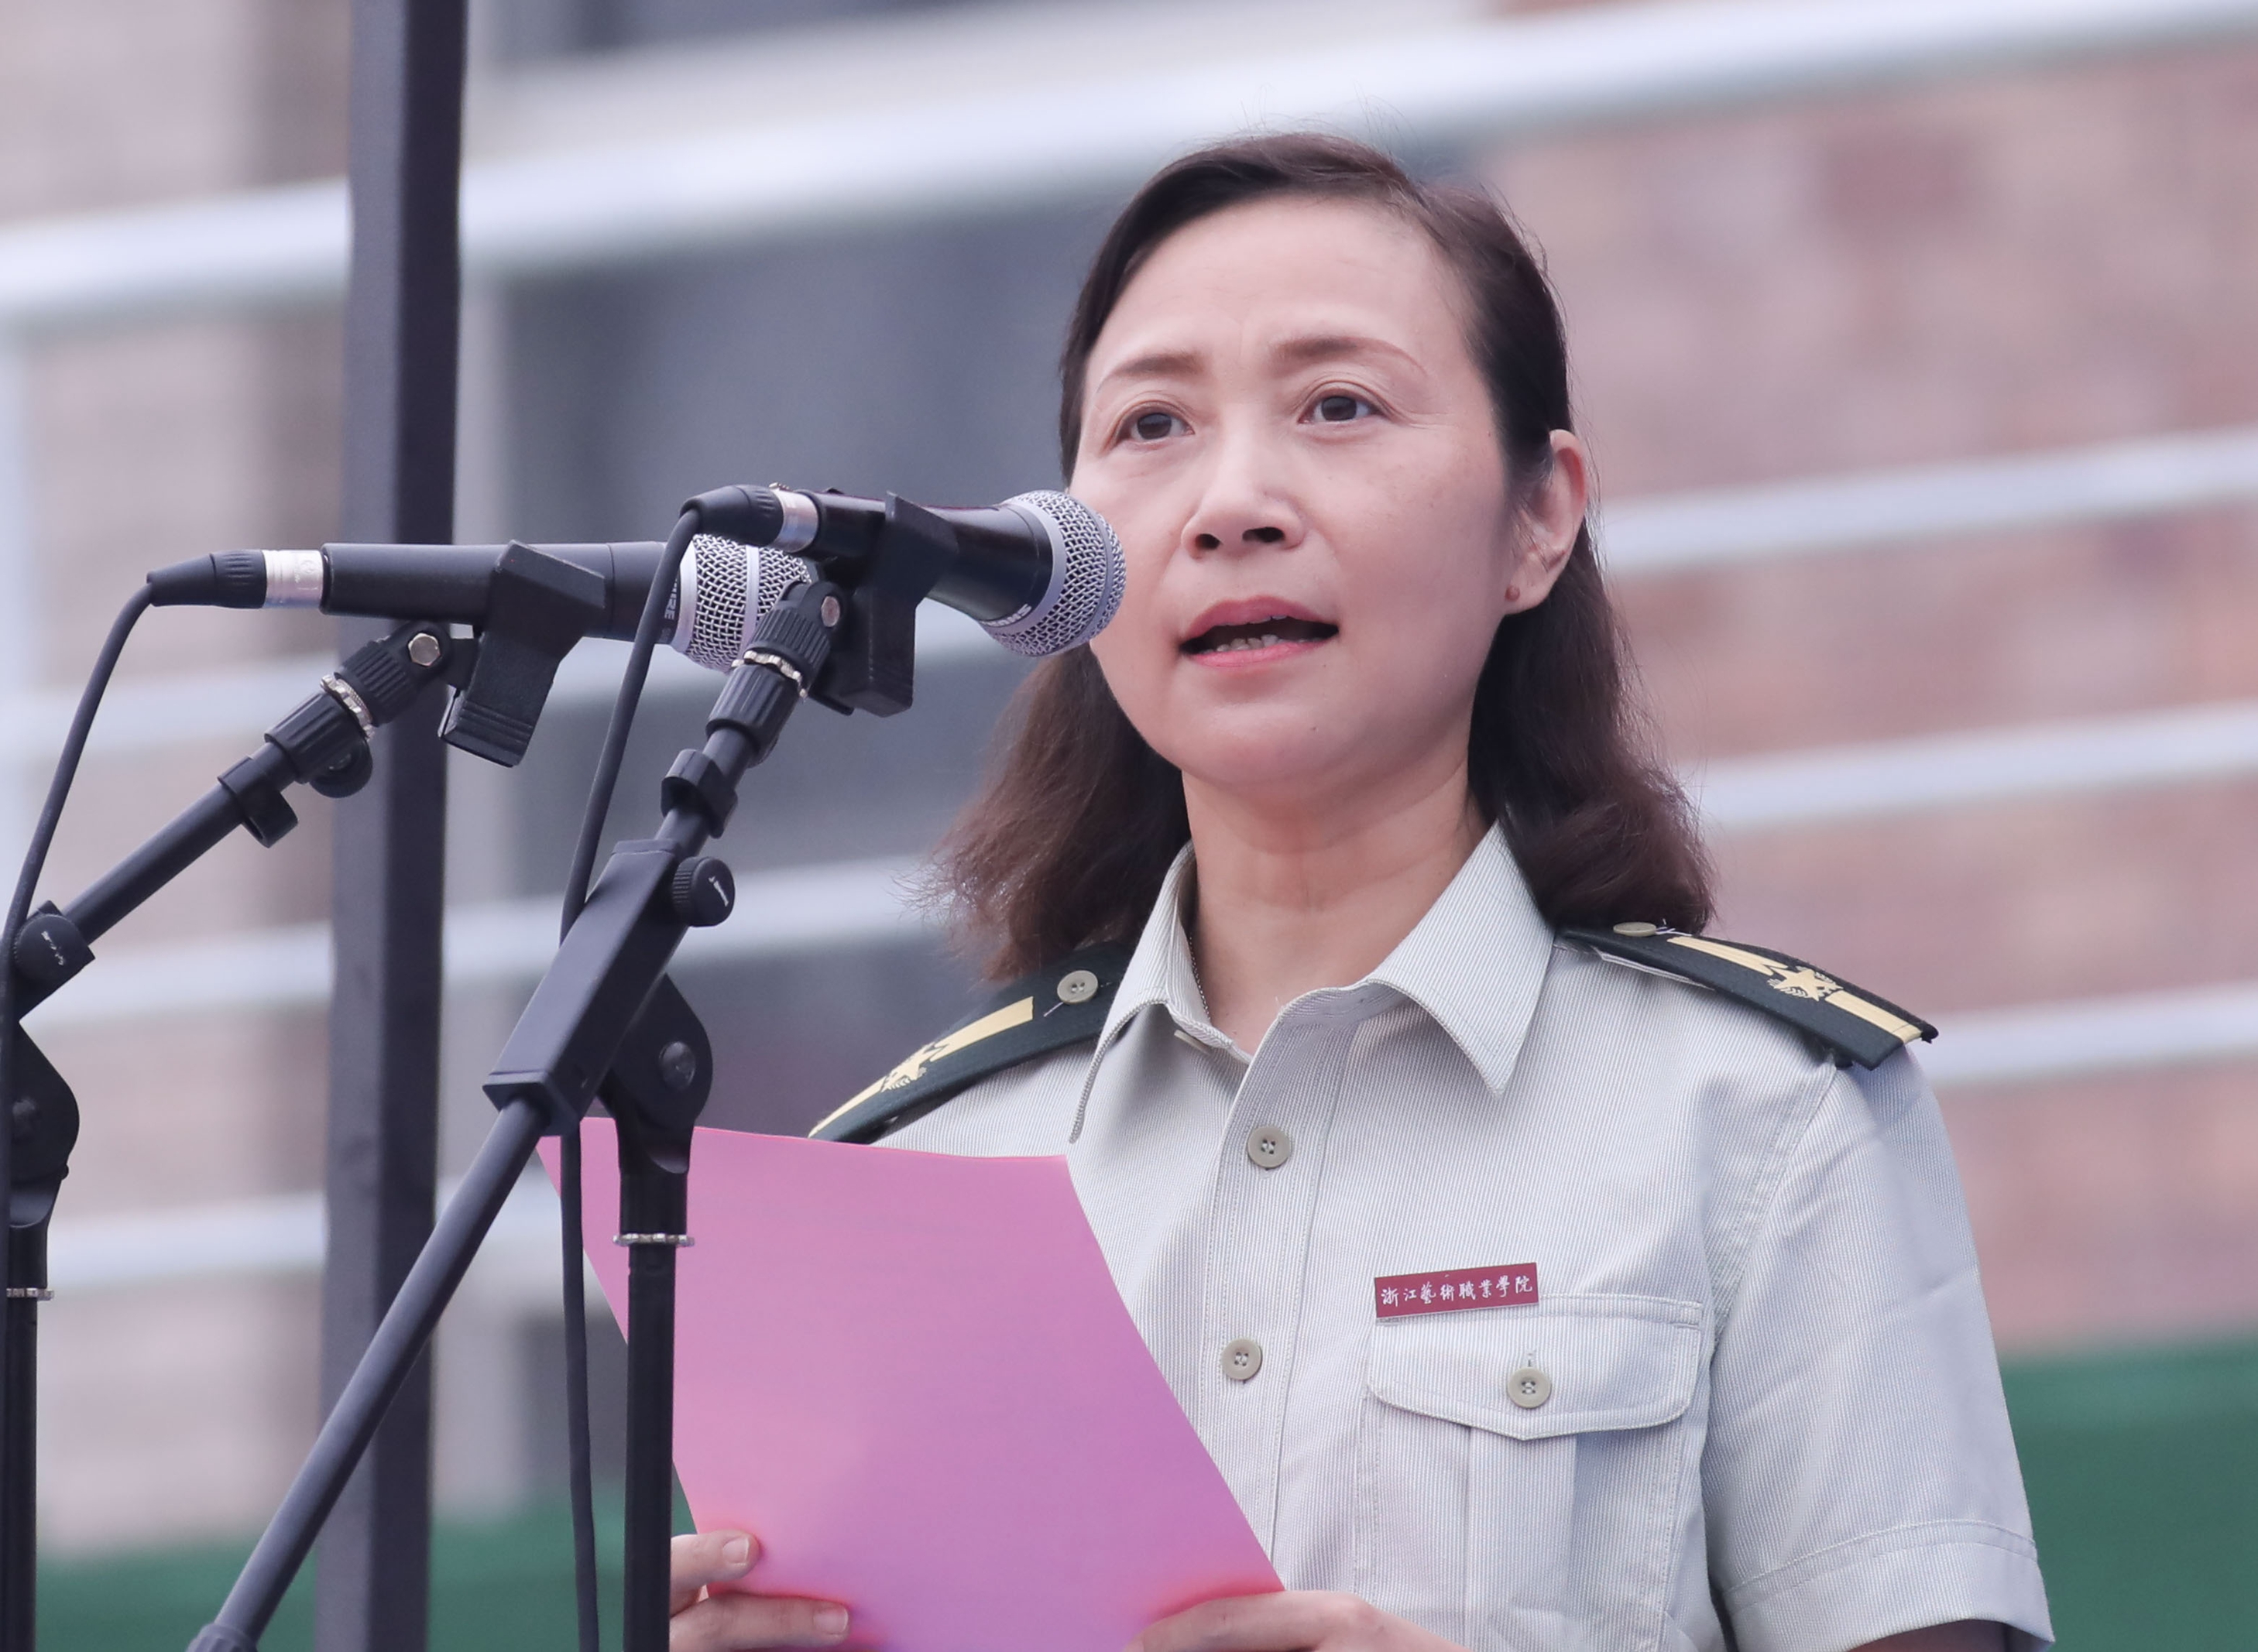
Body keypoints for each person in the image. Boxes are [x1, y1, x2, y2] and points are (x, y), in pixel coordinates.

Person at [666, 134, 2052, 1652]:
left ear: (1538, 517)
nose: (1232, 503)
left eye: (1339, 405)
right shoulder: (912, 1178)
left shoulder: (1765, 1120)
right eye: (1151, 425)